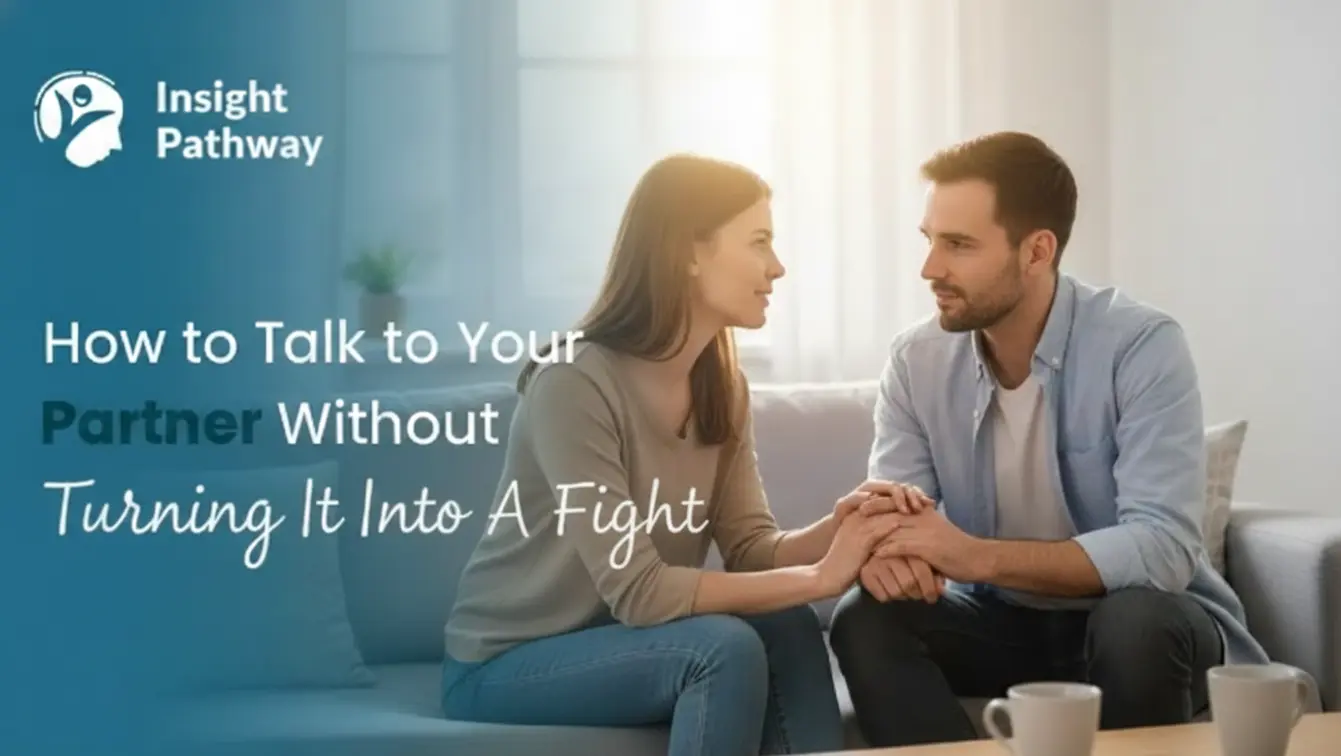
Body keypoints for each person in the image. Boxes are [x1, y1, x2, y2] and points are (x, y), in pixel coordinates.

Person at [440, 153, 911, 756]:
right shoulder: (573, 383)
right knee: (721, 649)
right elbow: (640, 591)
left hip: (631, 641)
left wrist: (840, 527)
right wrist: (820, 577)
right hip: (506, 663)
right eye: (759, 242)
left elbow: (750, 549)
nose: (777, 266)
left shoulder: (721, 386)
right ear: (689, 252)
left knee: (789, 623)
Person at [828, 131, 1272, 748]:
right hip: (997, 623)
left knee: (1136, 619)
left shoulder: (1140, 345)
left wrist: (974, 556)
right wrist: (888, 553)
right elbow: (896, 517)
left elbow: (1163, 547)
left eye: (958, 245)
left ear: (1037, 251)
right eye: (929, 240)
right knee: (865, 618)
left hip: (1137, 626)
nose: (930, 268)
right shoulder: (916, 361)